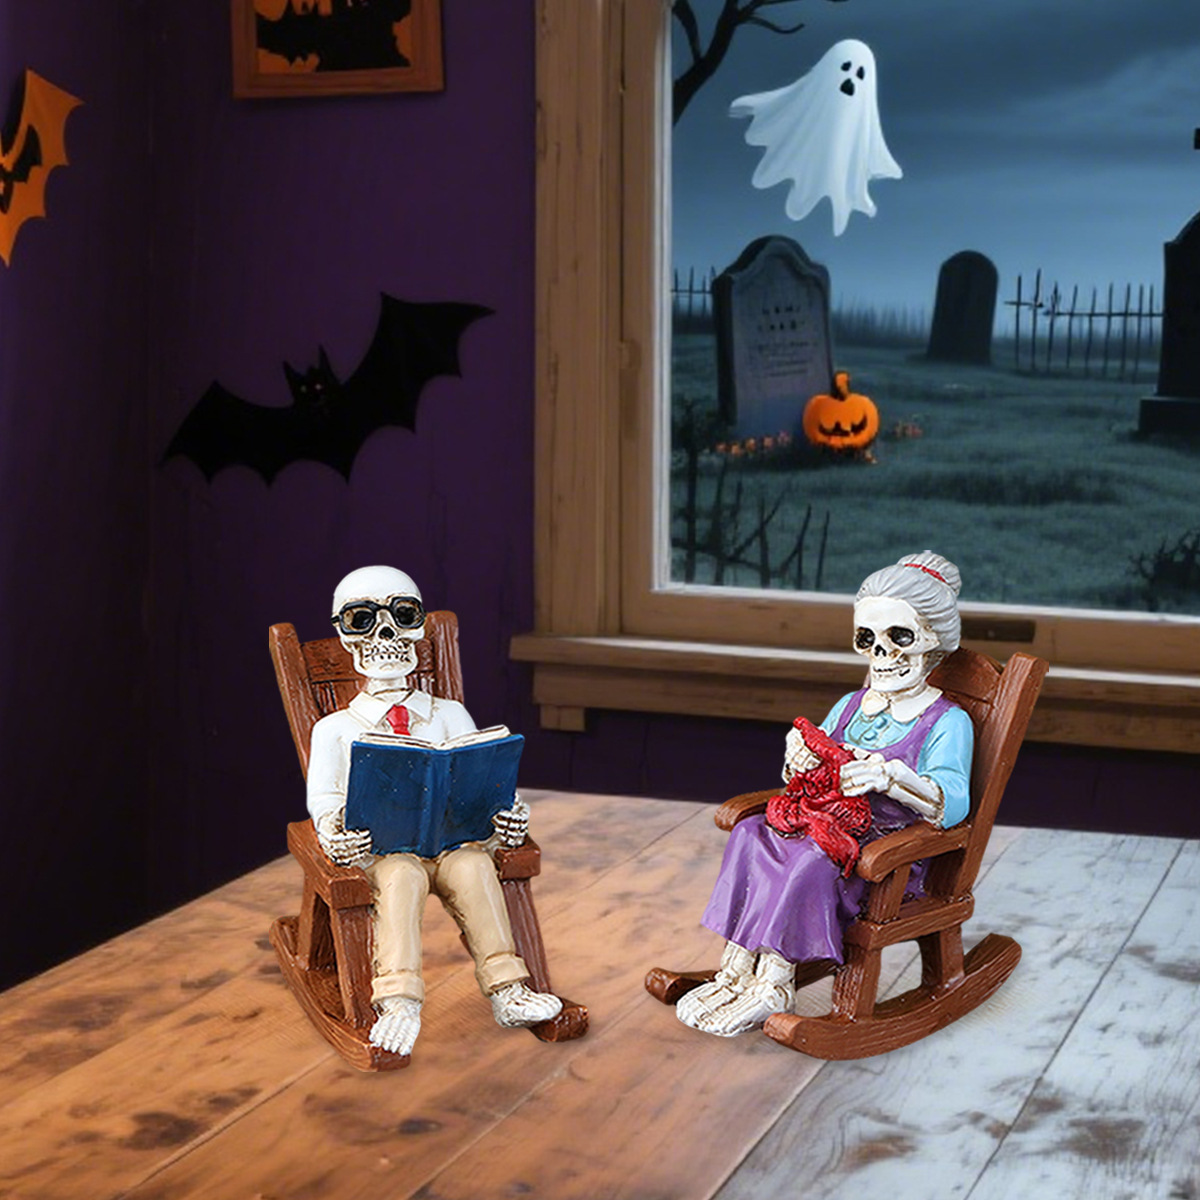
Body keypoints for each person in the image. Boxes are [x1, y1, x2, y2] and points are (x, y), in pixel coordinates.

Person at [679, 551, 974, 1037]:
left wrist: (891, 778)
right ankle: (736, 968)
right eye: (867, 639)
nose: (882, 654)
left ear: (934, 639)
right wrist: (798, 757)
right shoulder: (852, 705)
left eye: (900, 637)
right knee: (751, 832)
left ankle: (774, 982)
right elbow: (816, 766)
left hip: (885, 858)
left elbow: (953, 804)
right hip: (827, 823)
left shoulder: (947, 721)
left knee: (809, 858)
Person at [307, 565, 561, 1057]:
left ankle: (507, 987)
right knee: (400, 875)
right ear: (344, 635)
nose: (385, 635)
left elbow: (480, 778)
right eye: (362, 621)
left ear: (418, 628)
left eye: (402, 616)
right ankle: (399, 999)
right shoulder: (334, 729)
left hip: (451, 842)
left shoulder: (448, 714)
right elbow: (324, 798)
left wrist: (506, 814)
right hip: (383, 851)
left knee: (473, 867)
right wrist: (334, 830)